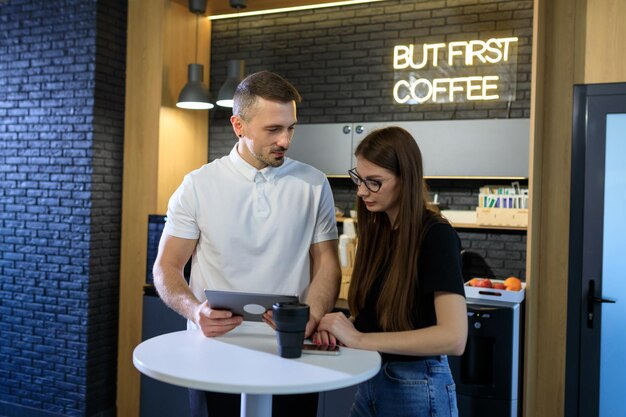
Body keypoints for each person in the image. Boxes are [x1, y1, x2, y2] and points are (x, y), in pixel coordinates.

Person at [153, 71, 341, 417]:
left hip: (291, 353)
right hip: (212, 353)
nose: (285, 140)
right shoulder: (197, 185)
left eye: (291, 128)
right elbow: (166, 267)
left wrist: (310, 319)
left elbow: (327, 263)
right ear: (238, 125)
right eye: (273, 130)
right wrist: (196, 312)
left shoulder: (314, 184)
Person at [315, 126, 467, 417]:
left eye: (375, 182)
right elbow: (385, 320)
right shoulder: (381, 232)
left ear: (405, 180)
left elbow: (454, 337)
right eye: (359, 179)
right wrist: (342, 328)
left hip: (418, 388)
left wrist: (358, 339)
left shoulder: (436, 236)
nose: (361, 191)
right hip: (373, 382)